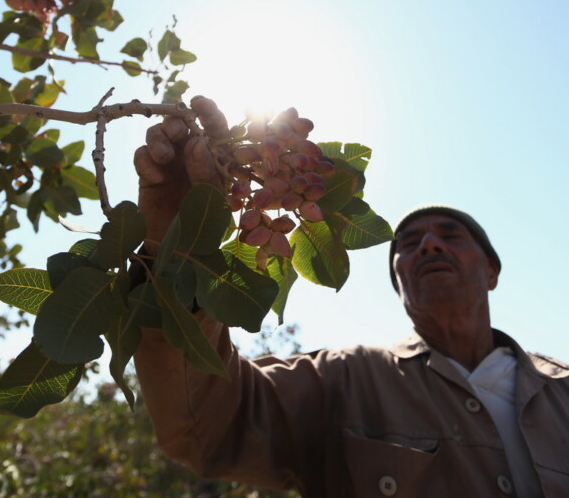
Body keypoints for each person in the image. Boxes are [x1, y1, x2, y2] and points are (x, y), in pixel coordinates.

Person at [133, 96, 569, 498]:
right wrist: (177, 249)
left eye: (450, 236)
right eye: (410, 243)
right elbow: (209, 427)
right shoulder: (342, 381)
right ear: (399, 285)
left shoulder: (563, 391)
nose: (430, 246)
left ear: (491, 271)